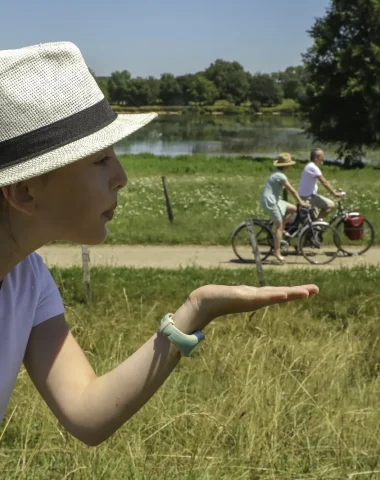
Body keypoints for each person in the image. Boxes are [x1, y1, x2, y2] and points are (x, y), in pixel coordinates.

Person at [0, 41, 318, 446]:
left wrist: (193, 313)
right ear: (25, 193)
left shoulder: (27, 279)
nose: (122, 176)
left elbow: (86, 411)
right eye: (100, 161)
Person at [260, 153, 310, 263]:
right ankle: (277, 252)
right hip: (270, 201)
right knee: (279, 226)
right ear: (286, 165)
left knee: (293, 209)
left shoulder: (277, 173)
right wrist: (301, 202)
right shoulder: (280, 176)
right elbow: (292, 190)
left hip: (275, 200)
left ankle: (281, 232)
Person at [298, 148, 344, 220]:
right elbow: (324, 182)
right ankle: (316, 224)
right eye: (322, 157)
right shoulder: (313, 167)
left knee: (315, 217)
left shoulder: (309, 165)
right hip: (308, 196)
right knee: (330, 205)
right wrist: (334, 193)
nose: (324, 158)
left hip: (305, 195)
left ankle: (314, 227)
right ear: (316, 158)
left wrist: (333, 190)